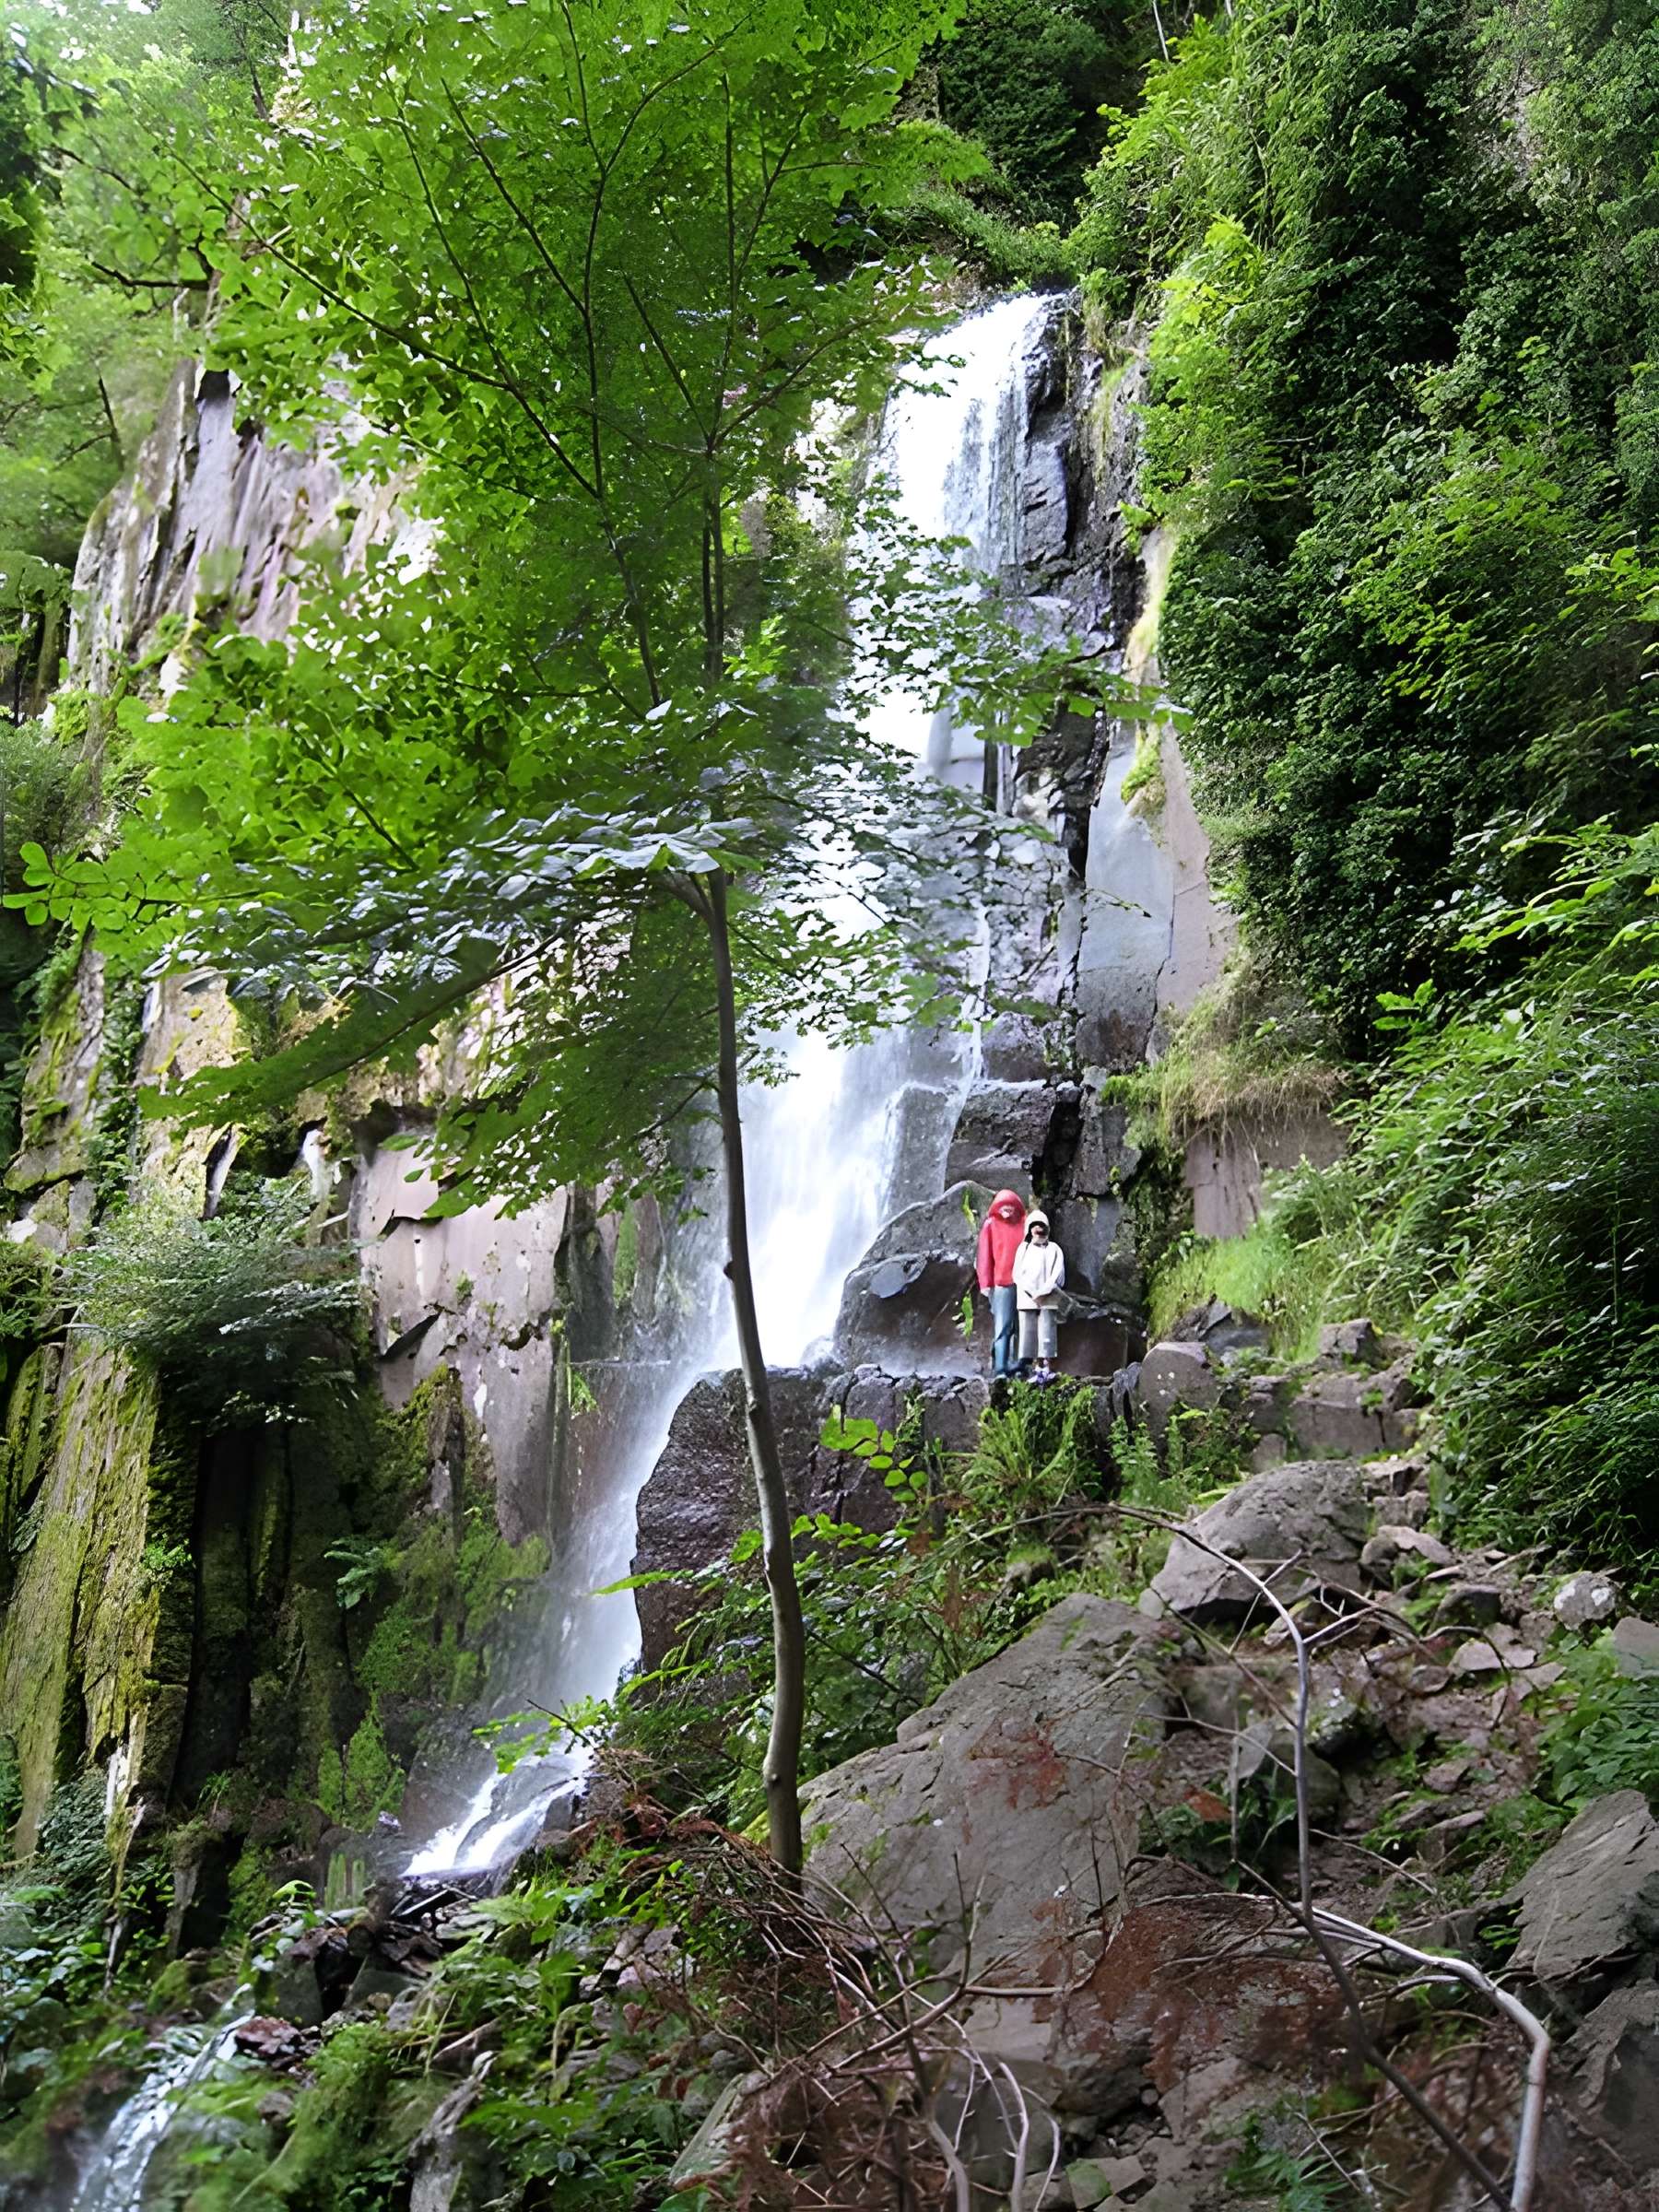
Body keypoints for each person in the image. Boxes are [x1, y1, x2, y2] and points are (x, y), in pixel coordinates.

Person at [975, 1188, 1027, 1379]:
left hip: (1023, 1283)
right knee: (1003, 1326)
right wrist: (985, 1282)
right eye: (1003, 1206)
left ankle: (1019, 1364)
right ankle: (1001, 1367)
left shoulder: (1025, 1224)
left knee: (1022, 1324)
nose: (1006, 1210)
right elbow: (984, 1256)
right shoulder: (991, 1225)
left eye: (1010, 1207)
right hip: (1002, 1283)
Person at [1013, 1208, 1065, 1380]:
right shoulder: (1023, 1249)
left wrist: (1044, 1291)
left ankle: (1048, 1366)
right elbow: (1017, 1274)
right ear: (1029, 1229)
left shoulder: (1054, 1249)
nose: (1038, 1230)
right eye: (1034, 1226)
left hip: (1048, 1298)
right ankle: (1033, 1367)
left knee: (1047, 1332)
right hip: (1027, 1299)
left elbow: (1057, 1272)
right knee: (1029, 1333)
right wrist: (1032, 1292)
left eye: (1041, 1226)